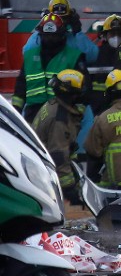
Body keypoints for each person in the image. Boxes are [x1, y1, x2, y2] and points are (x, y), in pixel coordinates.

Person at [12, 14, 89, 122]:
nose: (50, 39)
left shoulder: (74, 57)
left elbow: (85, 89)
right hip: (32, 116)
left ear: (63, 35)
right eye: (46, 35)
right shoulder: (29, 56)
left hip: (62, 115)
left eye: (54, 36)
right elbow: (20, 89)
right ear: (40, 35)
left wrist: (77, 114)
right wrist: (15, 113)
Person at [31, 69, 87, 199]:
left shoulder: (54, 105)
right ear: (70, 94)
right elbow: (58, 155)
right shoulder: (59, 120)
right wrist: (70, 189)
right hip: (44, 176)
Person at [22, 0, 99, 63]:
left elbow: (92, 56)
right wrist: (42, 30)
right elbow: (27, 53)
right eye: (55, 18)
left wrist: (77, 31)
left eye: (63, 18)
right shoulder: (38, 39)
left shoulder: (72, 40)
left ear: (69, 19)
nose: (59, 22)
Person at [88, 14, 121, 114]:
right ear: (105, 36)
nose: (116, 37)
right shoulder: (97, 54)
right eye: (112, 34)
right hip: (98, 108)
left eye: (119, 34)